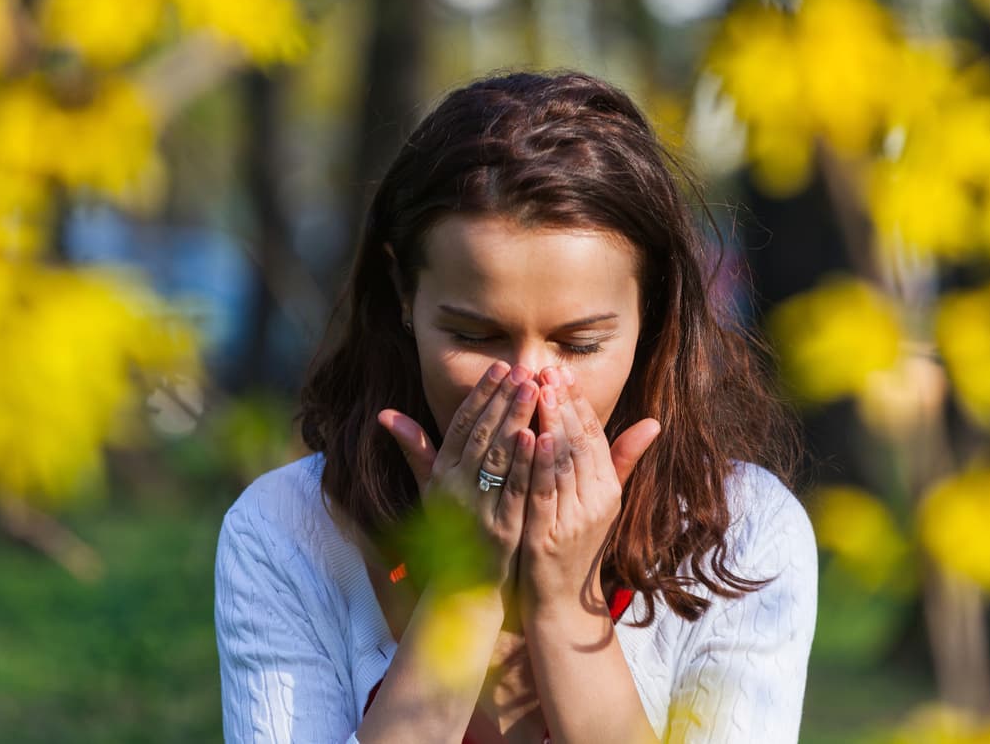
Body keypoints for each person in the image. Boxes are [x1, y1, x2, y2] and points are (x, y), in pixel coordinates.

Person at [215, 71, 817, 743]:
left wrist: (568, 610)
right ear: (403, 296)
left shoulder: (742, 534)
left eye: (580, 343)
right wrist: (461, 595)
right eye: (475, 336)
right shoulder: (289, 533)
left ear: (649, 315)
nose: (529, 384)